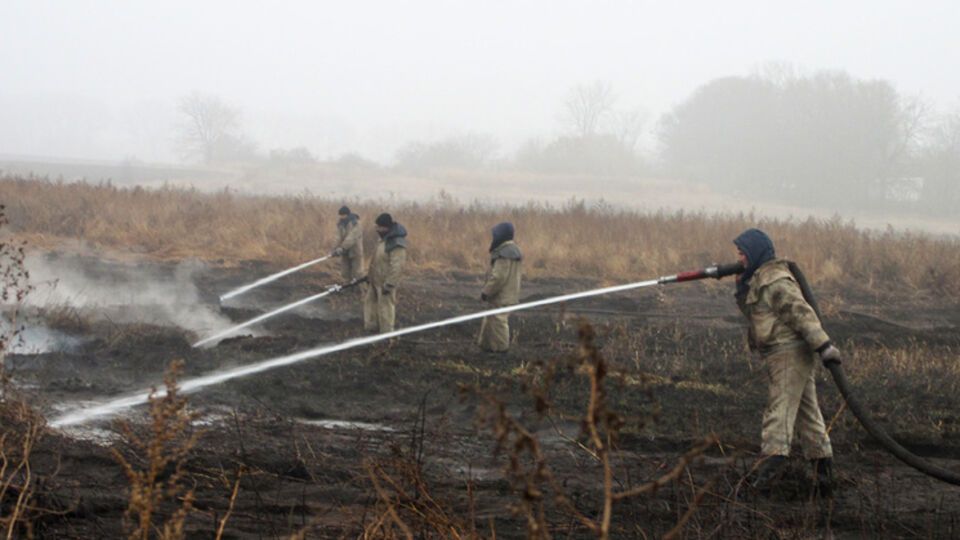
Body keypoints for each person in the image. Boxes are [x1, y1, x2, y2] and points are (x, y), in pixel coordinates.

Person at [733, 228, 840, 496]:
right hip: (782, 352)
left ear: (755, 252)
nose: (740, 259)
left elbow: (801, 313)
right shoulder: (761, 279)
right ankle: (823, 475)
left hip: (787, 353)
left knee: (778, 411)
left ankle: (767, 474)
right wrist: (740, 284)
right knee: (807, 413)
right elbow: (755, 314)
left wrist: (824, 346)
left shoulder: (776, 280)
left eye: (743, 254)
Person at [478, 222, 523, 352]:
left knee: (499, 321)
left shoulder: (504, 254)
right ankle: (487, 347)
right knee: (491, 319)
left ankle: (502, 349)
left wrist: (486, 292)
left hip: (502, 295)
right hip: (509, 293)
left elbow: (498, 277)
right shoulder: (513, 251)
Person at [364, 213, 407, 333]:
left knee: (385, 308)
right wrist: (369, 276)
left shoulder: (396, 244)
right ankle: (371, 329)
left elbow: (398, 266)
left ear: (386, 227)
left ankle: (386, 333)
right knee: (370, 304)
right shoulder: (383, 240)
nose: (377, 229)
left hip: (385, 282)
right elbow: (376, 260)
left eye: (379, 227)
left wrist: (390, 283)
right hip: (375, 279)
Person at [330, 206, 364, 284]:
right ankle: (347, 286)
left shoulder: (356, 223)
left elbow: (352, 237)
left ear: (347, 214)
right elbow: (337, 236)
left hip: (355, 251)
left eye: (342, 215)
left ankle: (360, 289)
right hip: (345, 252)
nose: (341, 217)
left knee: (357, 272)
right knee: (345, 272)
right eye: (340, 215)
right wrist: (333, 249)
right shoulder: (340, 224)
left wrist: (342, 247)